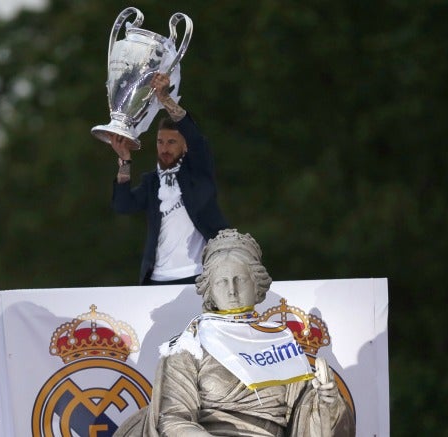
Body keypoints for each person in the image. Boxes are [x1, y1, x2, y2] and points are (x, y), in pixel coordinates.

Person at [113, 229, 356, 436]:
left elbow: (305, 419)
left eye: (240, 280)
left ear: (257, 285)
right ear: (210, 290)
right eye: (222, 282)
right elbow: (171, 421)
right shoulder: (189, 345)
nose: (232, 290)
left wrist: (327, 403)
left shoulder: (281, 344)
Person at [110, 72, 229, 285]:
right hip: (157, 278)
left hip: (200, 275)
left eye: (172, 142)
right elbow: (123, 205)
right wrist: (125, 161)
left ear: (184, 146)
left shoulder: (198, 171)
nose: (164, 149)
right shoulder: (152, 182)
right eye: (160, 142)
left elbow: (195, 137)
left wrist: (165, 99)